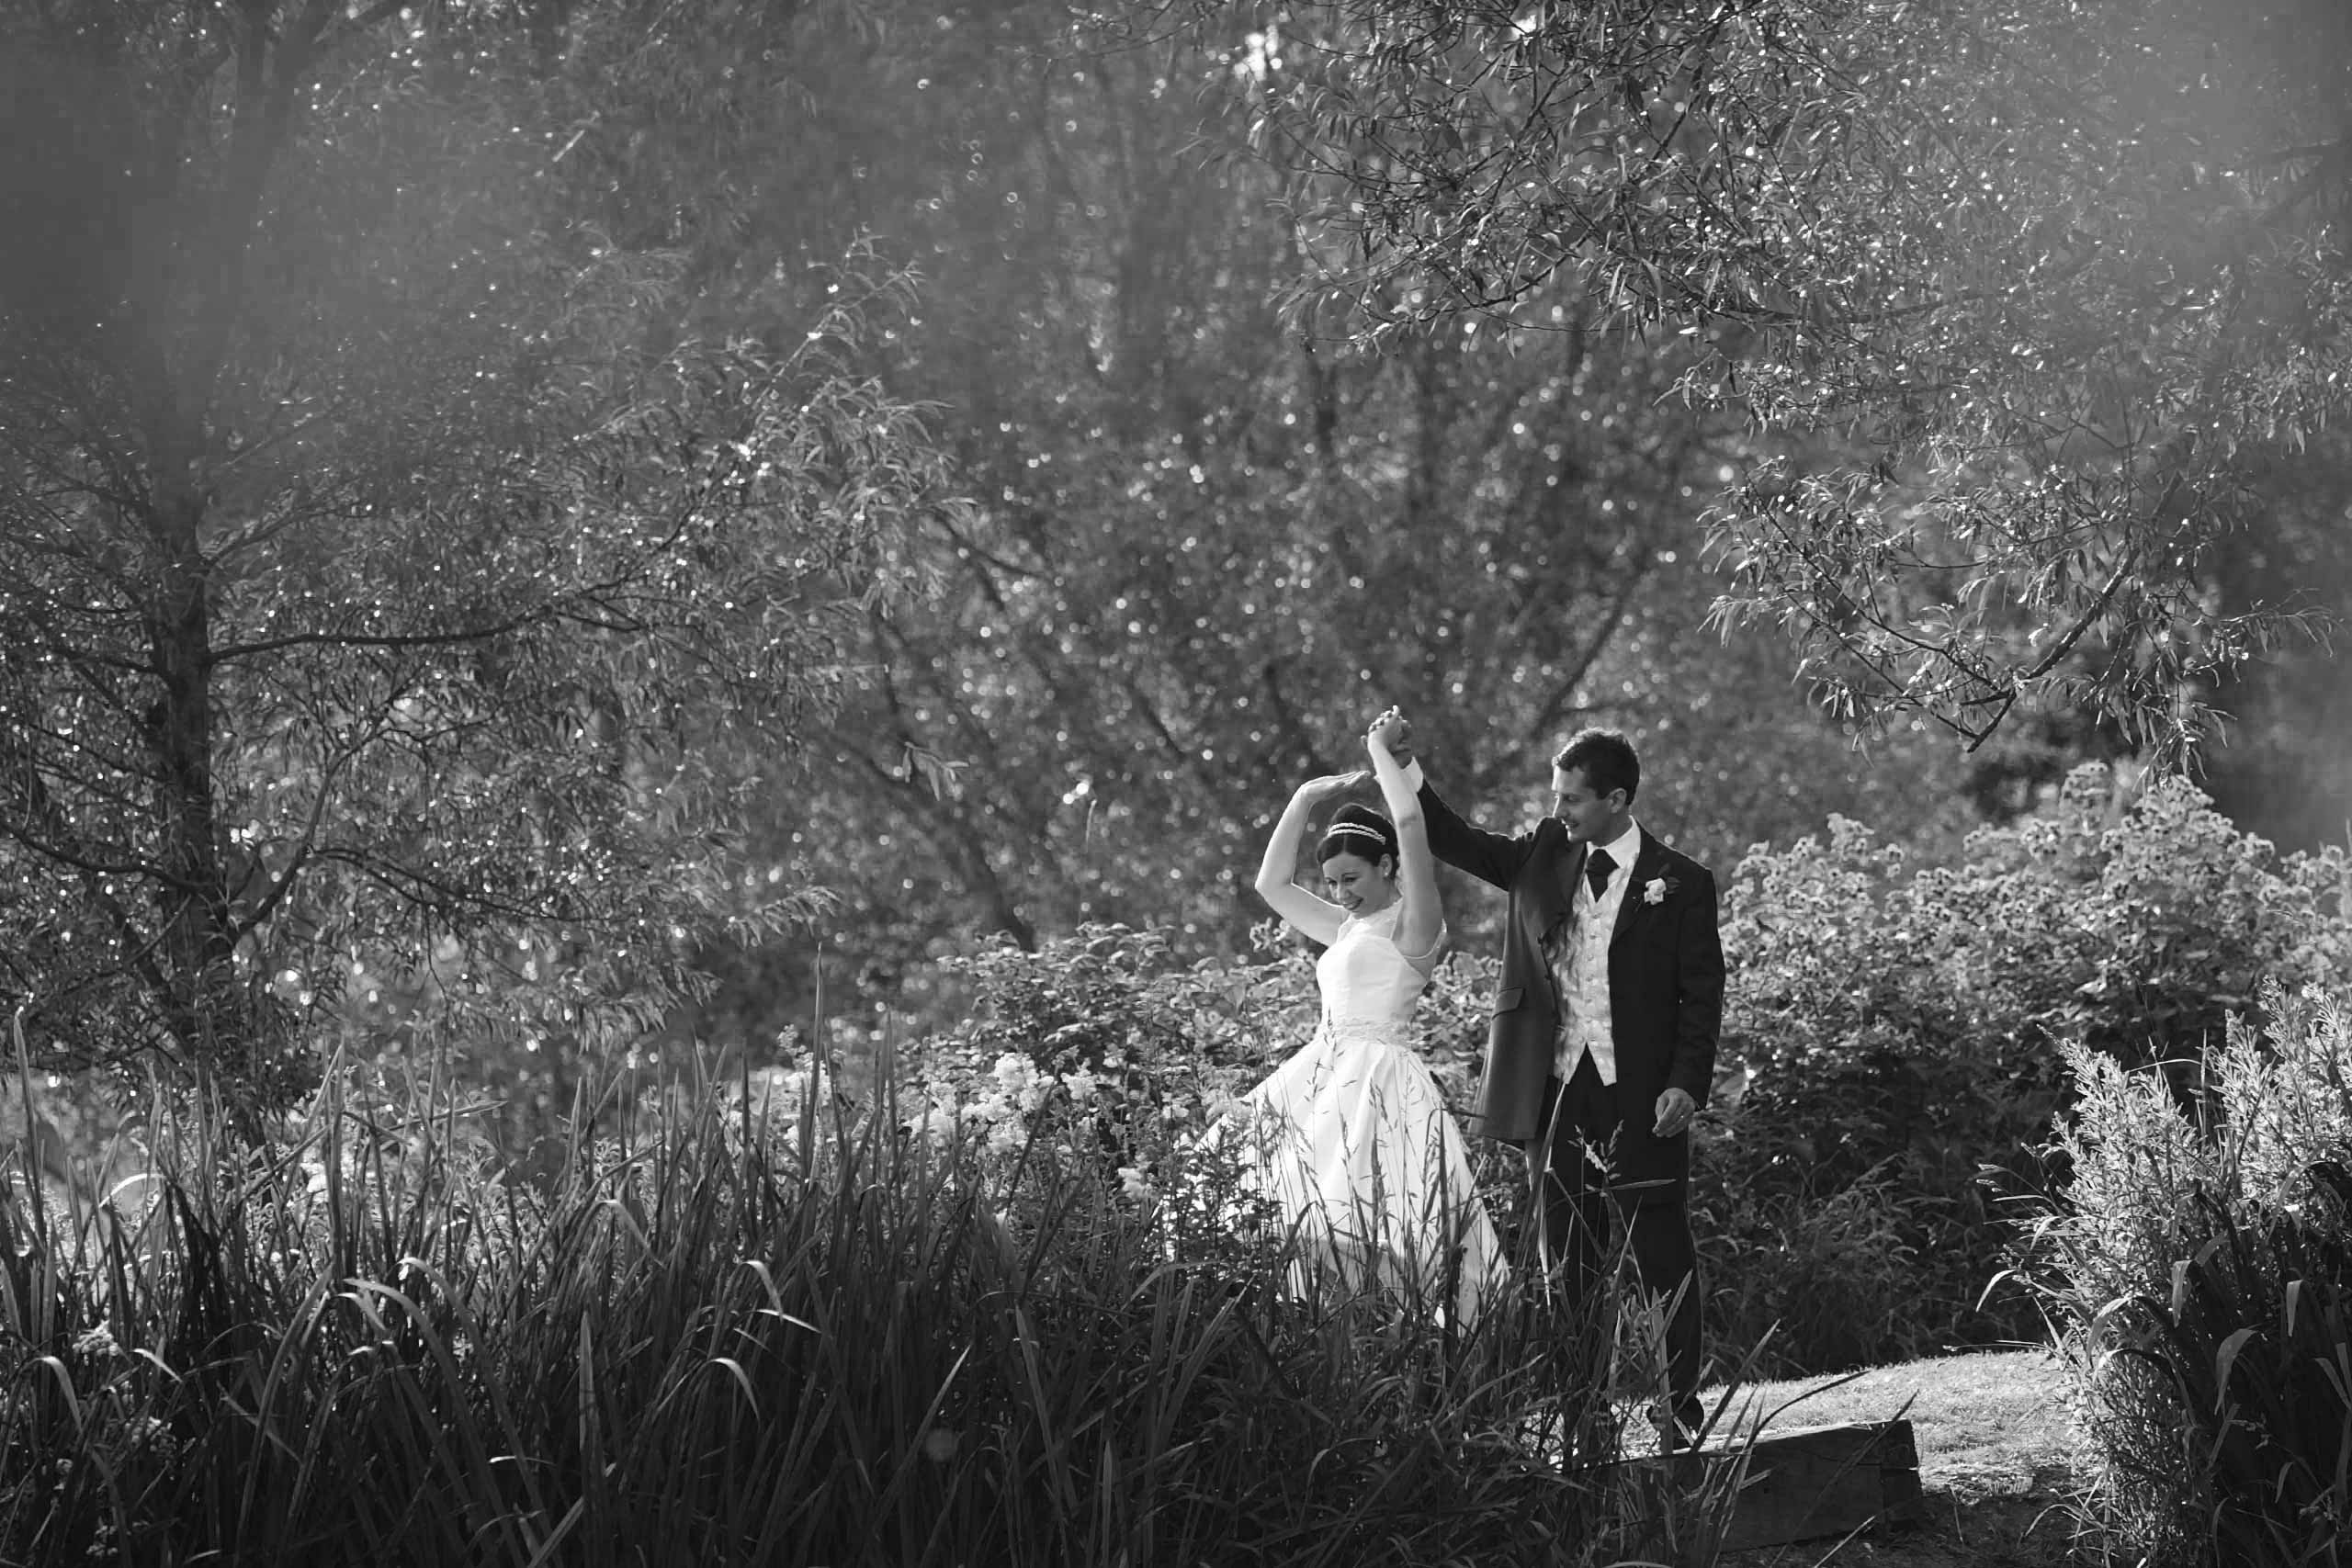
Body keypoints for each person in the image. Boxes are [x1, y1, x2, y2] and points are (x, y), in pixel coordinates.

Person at [1385, 712, 1723, 1437]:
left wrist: (1685, 1084)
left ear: (1617, 799)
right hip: (1557, 1089)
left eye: (1572, 797)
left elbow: (1702, 996)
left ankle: (1678, 1408)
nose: (1558, 807)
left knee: (1662, 1251)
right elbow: (1455, 838)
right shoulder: (1542, 853)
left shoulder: (1683, 883)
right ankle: (1583, 1418)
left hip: (1643, 1095)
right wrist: (1405, 766)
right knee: (1568, 1263)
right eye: (1557, 793)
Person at [1215, 714, 1505, 1324]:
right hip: (1324, 1072)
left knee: (1385, 1225)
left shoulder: (1415, 924)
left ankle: (1406, 1340)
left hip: (1383, 1080)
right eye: (1331, 883)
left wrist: (1379, 752)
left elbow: (1410, 823)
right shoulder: (1346, 927)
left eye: (1351, 878)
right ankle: (1336, 1344)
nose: (1340, 893)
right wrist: (1303, 799)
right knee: (1293, 1213)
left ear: (1388, 867)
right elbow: (1272, 884)